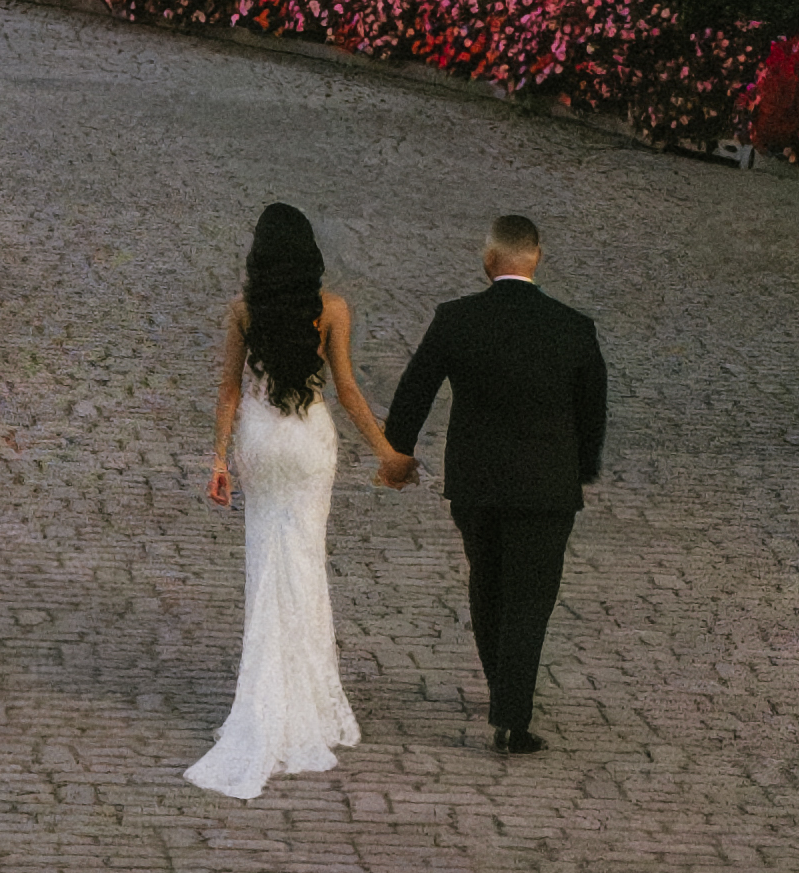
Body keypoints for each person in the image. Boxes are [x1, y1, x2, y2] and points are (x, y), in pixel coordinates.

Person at [191, 197, 409, 796]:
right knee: (305, 562)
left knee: (267, 564)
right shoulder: (333, 310)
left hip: (261, 442)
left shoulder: (242, 312)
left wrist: (218, 458)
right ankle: (309, 698)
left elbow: (230, 389)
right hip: (309, 441)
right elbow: (345, 387)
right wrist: (386, 449)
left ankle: (266, 698)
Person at [377, 209, 612, 751]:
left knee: (487, 582)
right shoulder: (574, 328)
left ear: (488, 260)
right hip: (548, 486)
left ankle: (500, 689)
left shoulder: (456, 319)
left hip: (476, 480)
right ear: (538, 259)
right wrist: (583, 469)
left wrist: (397, 453)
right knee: (531, 597)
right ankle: (512, 716)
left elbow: (415, 389)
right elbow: (591, 411)